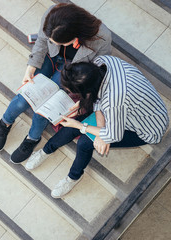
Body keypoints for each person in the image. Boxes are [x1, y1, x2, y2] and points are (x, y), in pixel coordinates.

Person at [25, 55, 169, 198]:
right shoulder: (103, 62)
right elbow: (99, 101)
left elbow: (114, 135)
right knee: (75, 118)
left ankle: (73, 177)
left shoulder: (113, 101)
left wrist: (84, 127)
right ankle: (46, 150)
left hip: (146, 127)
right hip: (130, 107)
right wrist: (93, 121)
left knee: (85, 142)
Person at [0, 3, 112, 163]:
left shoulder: (101, 37)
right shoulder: (53, 16)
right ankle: (5, 123)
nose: (54, 42)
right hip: (50, 58)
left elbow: (98, 68)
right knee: (23, 99)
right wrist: (31, 66)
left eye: (60, 42)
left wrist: (83, 98)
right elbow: (41, 42)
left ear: (74, 36)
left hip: (71, 68)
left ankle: (32, 138)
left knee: (44, 109)